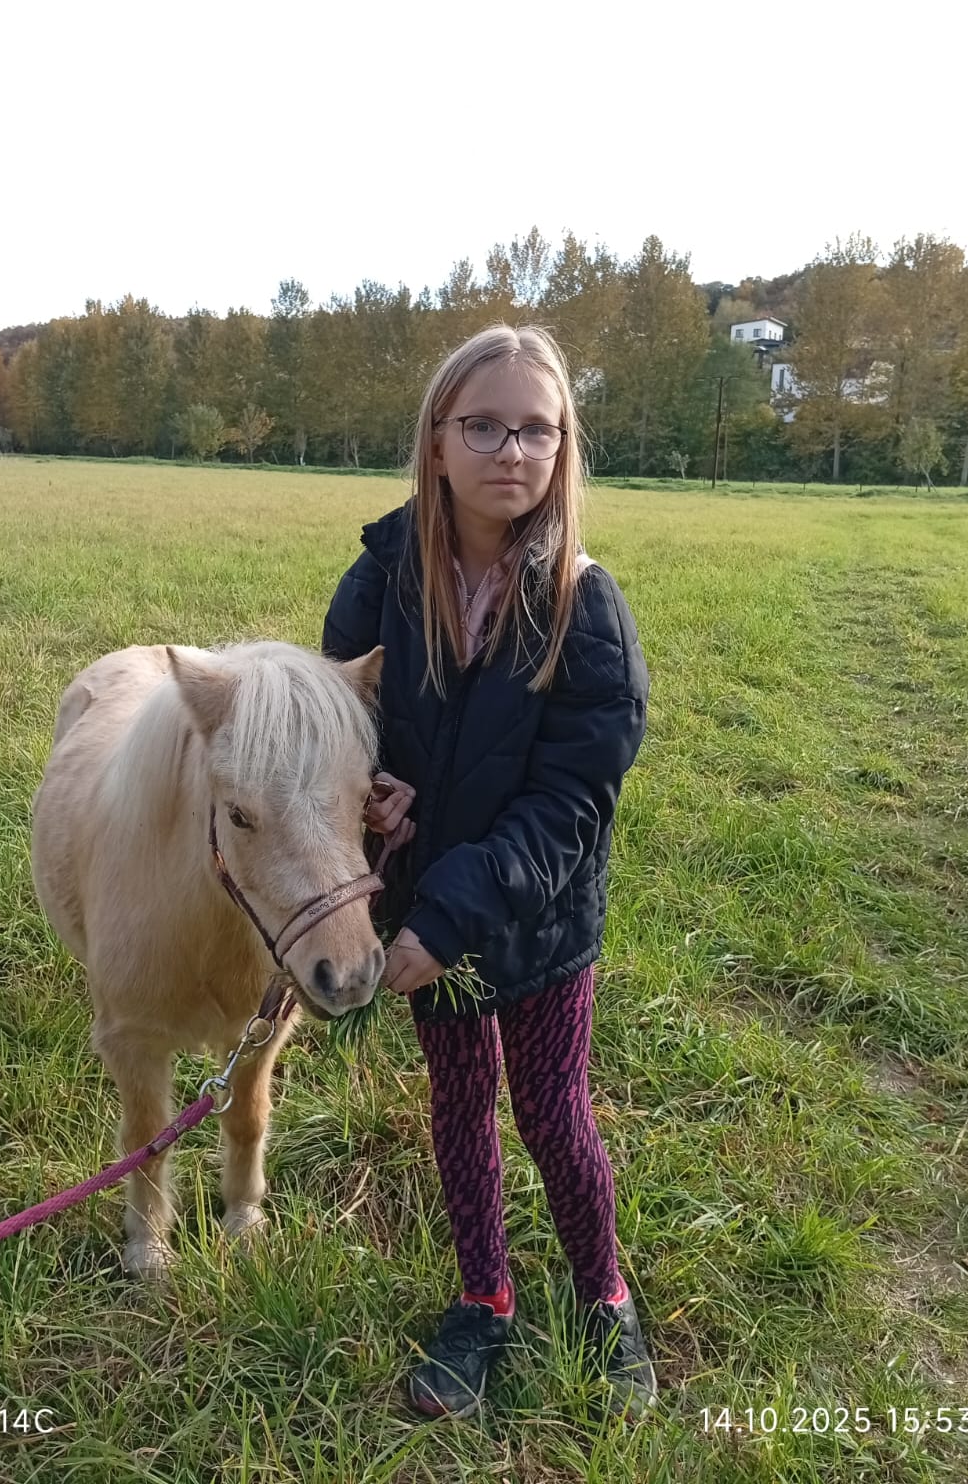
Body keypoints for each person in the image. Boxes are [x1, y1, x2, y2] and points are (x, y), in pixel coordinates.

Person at [321, 323, 656, 1422]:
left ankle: (604, 1297)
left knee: (554, 1112)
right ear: (436, 439)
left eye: (536, 430)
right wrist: (371, 789)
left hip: (536, 920)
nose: (512, 451)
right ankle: (483, 1299)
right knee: (460, 1105)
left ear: (563, 447)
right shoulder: (382, 579)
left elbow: (572, 806)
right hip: (426, 907)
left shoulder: (583, 605)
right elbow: (342, 718)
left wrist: (449, 917)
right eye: (483, 426)